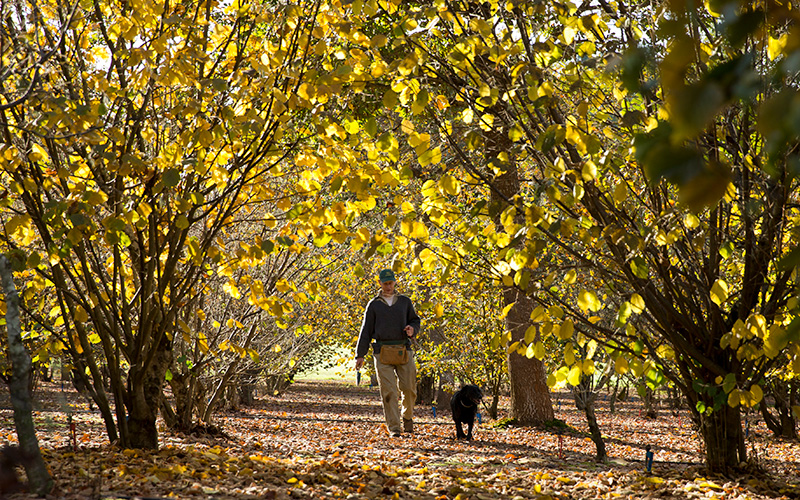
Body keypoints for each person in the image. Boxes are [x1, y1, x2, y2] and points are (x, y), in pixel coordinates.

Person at [355, 268, 421, 437]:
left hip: (404, 349)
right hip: (382, 351)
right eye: (385, 283)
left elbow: (415, 320)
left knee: (409, 389)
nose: (388, 286)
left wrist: (412, 329)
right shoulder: (374, 304)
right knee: (389, 391)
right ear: (380, 283)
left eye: (391, 283)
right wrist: (360, 355)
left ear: (395, 282)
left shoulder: (405, 302)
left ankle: (407, 417)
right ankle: (394, 428)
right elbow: (366, 331)